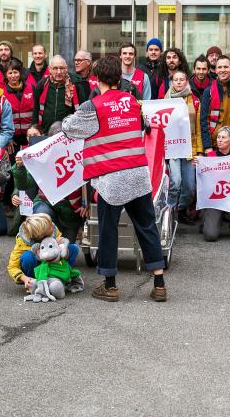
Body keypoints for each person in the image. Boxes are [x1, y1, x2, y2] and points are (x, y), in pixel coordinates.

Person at [61, 55, 168, 303]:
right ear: (119, 78)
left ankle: (110, 286)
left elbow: (69, 128)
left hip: (112, 180)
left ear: (96, 79)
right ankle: (159, 283)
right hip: (139, 175)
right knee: (147, 227)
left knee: (108, 231)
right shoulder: (132, 101)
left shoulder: (93, 106)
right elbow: (144, 125)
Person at [13, 123, 88, 244]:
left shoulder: (80, 153)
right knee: (42, 215)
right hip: (45, 203)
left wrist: (87, 203)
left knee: (65, 253)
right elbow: (24, 184)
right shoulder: (43, 156)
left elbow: (92, 180)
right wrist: (19, 168)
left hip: (71, 211)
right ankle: (41, 246)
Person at [7, 214, 81, 295]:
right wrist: (23, 278)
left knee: (72, 248)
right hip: (38, 268)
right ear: (41, 235)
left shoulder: (53, 229)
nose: (52, 225)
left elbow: (61, 253)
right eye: (49, 226)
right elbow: (12, 266)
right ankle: (35, 283)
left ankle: (65, 278)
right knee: (27, 257)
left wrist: (63, 248)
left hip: (54, 265)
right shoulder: (22, 241)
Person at [193, 126, 230, 241]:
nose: (219, 140)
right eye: (218, 137)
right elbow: (201, 180)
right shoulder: (209, 157)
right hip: (214, 199)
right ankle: (208, 218)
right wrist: (198, 164)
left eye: (223, 137)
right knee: (210, 236)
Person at [164, 70, 202, 225]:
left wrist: (199, 150)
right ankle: (169, 212)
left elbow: (198, 128)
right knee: (176, 182)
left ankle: (180, 210)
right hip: (172, 149)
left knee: (190, 187)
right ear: (172, 82)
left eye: (181, 80)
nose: (178, 82)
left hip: (189, 149)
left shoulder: (195, 101)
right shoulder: (165, 101)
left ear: (187, 82)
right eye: (175, 80)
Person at [31, 55, 88, 136]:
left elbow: (83, 110)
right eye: (55, 68)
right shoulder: (42, 85)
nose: (58, 72)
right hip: (45, 132)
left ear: (66, 68)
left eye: (61, 68)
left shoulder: (76, 85)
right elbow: (36, 109)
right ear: (49, 69)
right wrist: (35, 127)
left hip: (69, 133)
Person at [3, 60, 35, 149]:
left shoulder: (31, 88)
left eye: (15, 72)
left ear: (20, 73)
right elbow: (1, 118)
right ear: (6, 75)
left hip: (30, 136)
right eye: (10, 73)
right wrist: (7, 138)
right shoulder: (2, 93)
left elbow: (37, 111)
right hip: (12, 139)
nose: (13, 76)